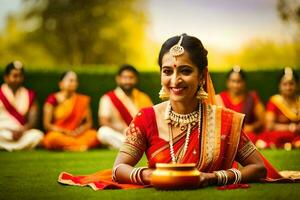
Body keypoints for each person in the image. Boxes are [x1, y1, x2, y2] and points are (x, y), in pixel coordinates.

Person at [58, 34, 299, 190]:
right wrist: (152, 177)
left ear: (202, 76)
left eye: (185, 70)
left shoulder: (224, 120)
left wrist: (214, 178)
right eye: (167, 71)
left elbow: (258, 168)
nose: (175, 80)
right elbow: (119, 169)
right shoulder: (147, 117)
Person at [97, 64, 153, 149]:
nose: (128, 81)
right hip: (121, 135)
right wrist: (124, 130)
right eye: (125, 78)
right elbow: (103, 122)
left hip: (140, 135)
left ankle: (131, 146)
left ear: (136, 79)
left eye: (131, 78)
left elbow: (152, 119)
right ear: (118, 79)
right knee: (102, 132)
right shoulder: (108, 98)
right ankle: (133, 146)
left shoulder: (143, 97)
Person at [43, 71, 99, 151]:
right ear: (61, 84)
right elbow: (47, 125)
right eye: (71, 80)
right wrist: (64, 131)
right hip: (60, 134)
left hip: (77, 134)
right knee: (52, 139)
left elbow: (89, 123)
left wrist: (79, 131)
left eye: (75, 81)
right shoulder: (52, 99)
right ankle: (77, 146)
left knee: (94, 135)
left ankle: (69, 147)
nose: (74, 83)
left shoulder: (82, 100)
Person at [0, 61, 43, 151]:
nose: (18, 79)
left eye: (20, 76)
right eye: (15, 76)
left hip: (21, 134)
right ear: (6, 78)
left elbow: (33, 120)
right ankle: (18, 147)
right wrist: (8, 130)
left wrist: (22, 131)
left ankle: (6, 147)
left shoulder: (29, 95)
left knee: (37, 135)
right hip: (3, 132)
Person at [215, 67, 265, 143]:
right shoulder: (220, 98)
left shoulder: (251, 97)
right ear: (228, 82)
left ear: (244, 83)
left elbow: (262, 121)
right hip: (226, 135)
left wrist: (252, 127)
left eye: (239, 81)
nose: (236, 85)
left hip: (247, 134)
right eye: (233, 81)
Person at [256, 67, 300, 149]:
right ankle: (289, 145)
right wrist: (291, 128)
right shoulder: (275, 101)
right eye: (285, 84)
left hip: (297, 135)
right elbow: (270, 126)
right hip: (280, 134)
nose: (288, 88)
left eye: (291, 84)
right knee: (268, 138)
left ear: (297, 85)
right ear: (279, 86)